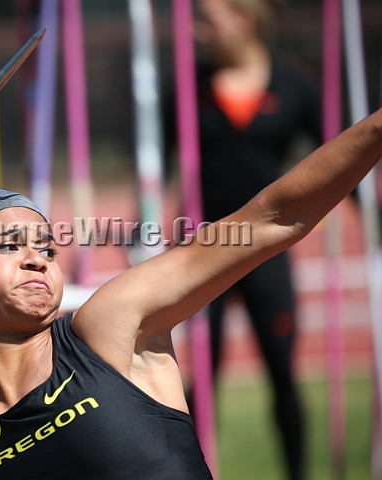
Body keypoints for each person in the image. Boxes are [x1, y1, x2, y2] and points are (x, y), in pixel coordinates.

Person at [0, 105, 382, 479]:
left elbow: (273, 218)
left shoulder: (108, 332)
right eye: (10, 244)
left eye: (46, 246)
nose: (37, 255)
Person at [165, 1, 321, 478]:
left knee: (282, 372)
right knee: (197, 381)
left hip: (266, 251)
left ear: (244, 20)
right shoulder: (188, 85)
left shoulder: (293, 85)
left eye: (207, 20)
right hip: (205, 250)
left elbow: (336, 156)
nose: (196, 31)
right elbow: (161, 164)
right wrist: (144, 224)